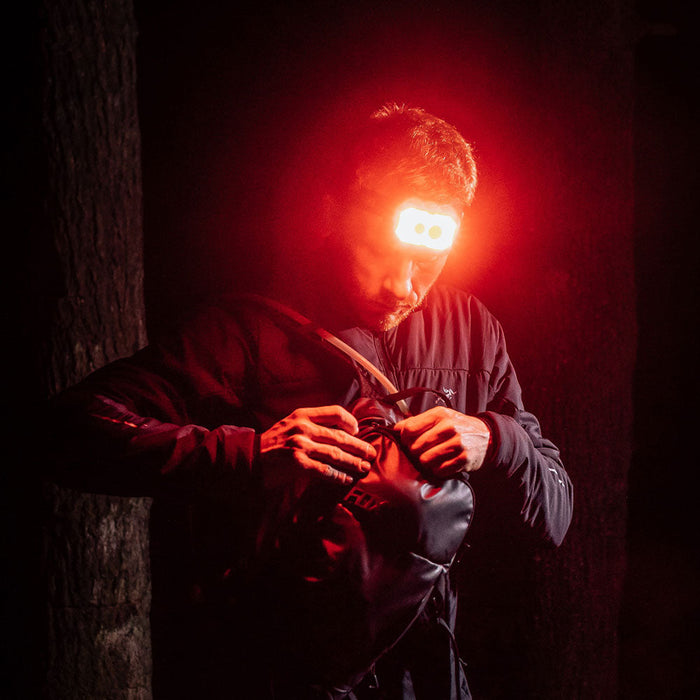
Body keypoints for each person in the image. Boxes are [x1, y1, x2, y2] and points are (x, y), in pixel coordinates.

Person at [49, 103, 573, 699]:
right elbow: (67, 430)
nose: (402, 285)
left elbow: (555, 516)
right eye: (381, 250)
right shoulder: (243, 330)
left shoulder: (472, 330)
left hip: (433, 682)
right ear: (331, 213)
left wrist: (500, 440)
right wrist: (251, 454)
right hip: (272, 678)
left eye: (429, 259)